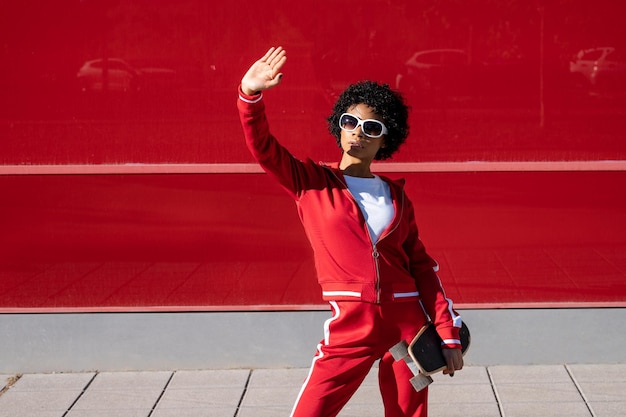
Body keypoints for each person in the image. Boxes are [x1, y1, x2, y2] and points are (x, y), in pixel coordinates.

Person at [237, 46, 464, 417]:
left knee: (409, 415)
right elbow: (263, 149)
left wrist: (446, 330)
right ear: (338, 127)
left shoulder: (398, 198)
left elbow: (422, 268)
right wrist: (250, 95)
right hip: (351, 324)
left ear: (384, 140)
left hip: (409, 326)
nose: (357, 133)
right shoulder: (311, 182)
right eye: (349, 122)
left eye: (371, 127)